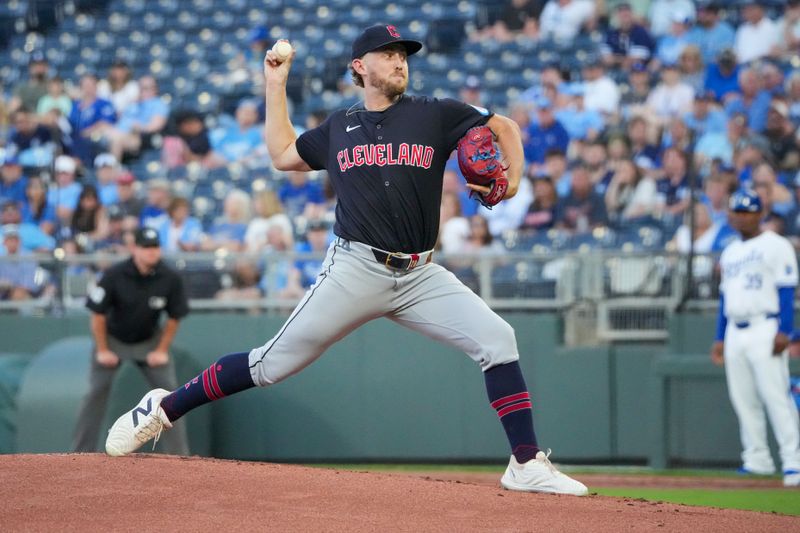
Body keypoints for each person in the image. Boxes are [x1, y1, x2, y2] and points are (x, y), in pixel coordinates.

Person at [104, 24, 588, 496]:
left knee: (498, 339)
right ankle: (163, 408)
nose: (400, 60)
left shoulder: (434, 113)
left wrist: (517, 180)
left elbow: (502, 126)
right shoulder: (340, 126)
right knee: (270, 365)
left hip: (420, 273)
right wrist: (275, 84)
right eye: (389, 53)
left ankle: (525, 464)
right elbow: (282, 154)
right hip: (356, 268)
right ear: (360, 66)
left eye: (404, 54)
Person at [710, 189, 800, 488]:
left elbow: (787, 290)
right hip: (736, 329)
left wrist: (784, 330)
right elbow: (725, 299)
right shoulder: (731, 251)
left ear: (761, 214)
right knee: (744, 399)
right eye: (736, 211)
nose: (741, 216)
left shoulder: (776, 245)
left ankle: (794, 462)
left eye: (748, 211)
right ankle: (757, 459)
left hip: (766, 325)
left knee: (777, 397)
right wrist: (720, 337)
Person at [72, 227, 190, 455]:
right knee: (94, 392)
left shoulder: (170, 278)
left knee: (173, 396)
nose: (151, 252)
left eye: (154, 246)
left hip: (149, 342)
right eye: (145, 247)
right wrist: (103, 349)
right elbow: (97, 314)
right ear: (134, 248)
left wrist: (162, 350)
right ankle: (80, 453)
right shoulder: (114, 274)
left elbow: (175, 316)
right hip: (114, 340)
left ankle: (179, 456)